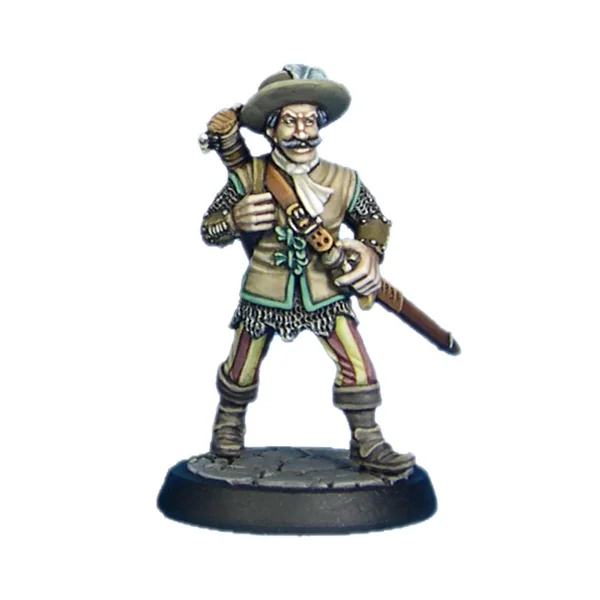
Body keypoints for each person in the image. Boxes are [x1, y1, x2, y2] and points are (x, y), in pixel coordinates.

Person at [200, 65, 414, 474]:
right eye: (291, 121)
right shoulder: (250, 176)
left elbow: (372, 220)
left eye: (310, 121)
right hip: (266, 287)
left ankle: (368, 440)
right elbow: (209, 227)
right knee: (242, 364)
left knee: (357, 363)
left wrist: (370, 252)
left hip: (325, 287)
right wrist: (234, 220)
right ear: (271, 128)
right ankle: (228, 426)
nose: (302, 132)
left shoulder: (344, 179)